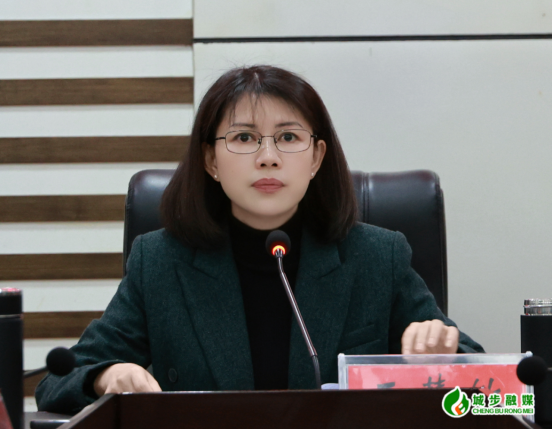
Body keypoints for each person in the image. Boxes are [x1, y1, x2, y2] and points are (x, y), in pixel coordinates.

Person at [36, 65, 484, 414]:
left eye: (288, 137)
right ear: (211, 160)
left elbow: (484, 388)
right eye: (244, 138)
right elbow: (57, 381)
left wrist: (442, 349)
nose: (268, 158)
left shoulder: (377, 257)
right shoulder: (160, 262)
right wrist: (106, 376)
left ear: (316, 158)